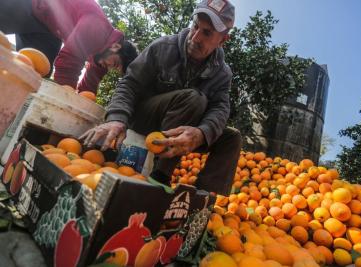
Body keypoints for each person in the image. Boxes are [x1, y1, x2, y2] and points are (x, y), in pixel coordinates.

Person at [80, 0, 242, 196]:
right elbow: (130, 83)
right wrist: (116, 118)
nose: (196, 37)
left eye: (207, 33)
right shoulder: (163, 47)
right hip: (145, 118)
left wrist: (201, 133)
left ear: (223, 40)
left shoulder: (222, 74)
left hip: (179, 132)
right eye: (195, 26)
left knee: (231, 138)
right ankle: (160, 177)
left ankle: (202, 202)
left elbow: (220, 109)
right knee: (194, 98)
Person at [0, 0, 138, 94]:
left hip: (48, 29)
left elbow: (88, 89)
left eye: (112, 68)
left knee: (36, 75)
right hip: (37, 4)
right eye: (114, 63)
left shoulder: (102, 59)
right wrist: (64, 98)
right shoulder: (98, 27)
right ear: (115, 47)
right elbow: (68, 63)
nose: (108, 67)